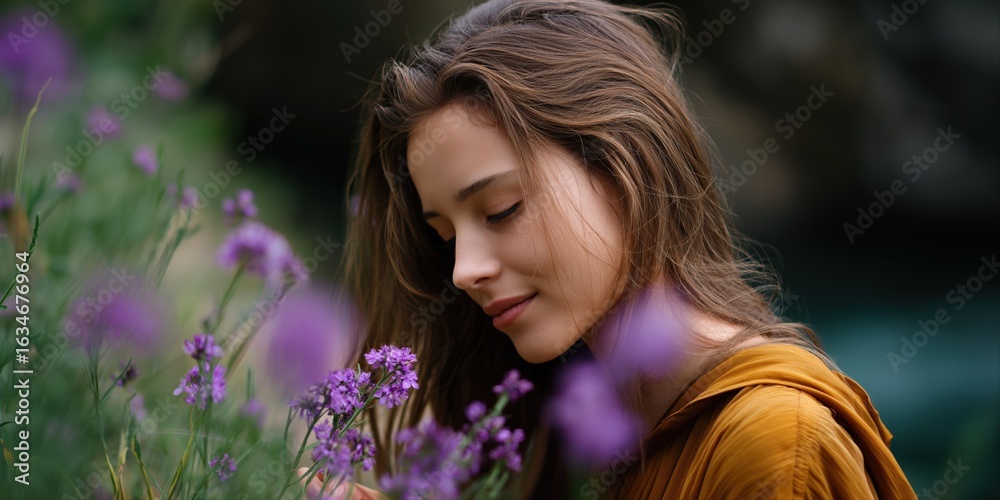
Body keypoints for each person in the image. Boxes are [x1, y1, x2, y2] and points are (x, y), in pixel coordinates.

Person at [312, 0, 916, 497]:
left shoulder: (776, 447)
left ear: (623, 162)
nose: (463, 271)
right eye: (445, 236)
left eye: (501, 210)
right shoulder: (572, 435)